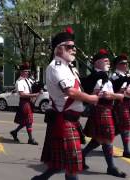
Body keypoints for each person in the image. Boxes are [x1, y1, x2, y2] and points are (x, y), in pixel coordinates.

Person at [32, 27, 99, 180]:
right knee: (72, 165)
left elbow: (81, 88)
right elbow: (70, 92)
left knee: (61, 163)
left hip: (71, 120)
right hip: (64, 120)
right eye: (70, 47)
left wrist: (96, 78)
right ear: (58, 49)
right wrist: (91, 99)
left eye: (74, 47)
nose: (74, 50)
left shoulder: (70, 69)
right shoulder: (55, 67)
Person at [82, 49, 126, 178]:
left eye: (108, 59)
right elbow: (89, 95)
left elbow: (118, 96)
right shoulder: (94, 78)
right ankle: (111, 167)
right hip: (100, 109)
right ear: (96, 63)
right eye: (104, 59)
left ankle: (81, 156)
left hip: (108, 109)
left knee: (98, 139)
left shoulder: (106, 77)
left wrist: (113, 95)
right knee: (107, 138)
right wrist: (104, 95)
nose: (108, 61)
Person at [10, 62, 39, 145]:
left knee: (25, 121)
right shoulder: (19, 82)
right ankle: (30, 139)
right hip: (24, 102)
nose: (27, 73)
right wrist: (34, 95)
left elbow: (33, 87)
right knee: (29, 121)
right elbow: (22, 94)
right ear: (21, 72)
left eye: (27, 71)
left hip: (29, 101)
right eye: (25, 71)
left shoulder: (28, 80)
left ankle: (15, 132)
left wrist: (38, 89)